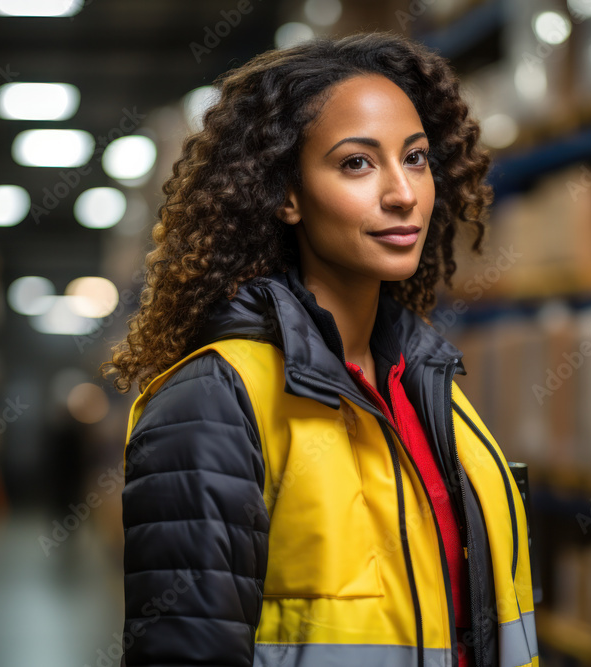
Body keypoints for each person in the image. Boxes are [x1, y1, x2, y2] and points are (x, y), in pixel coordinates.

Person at [102, 31, 537, 667]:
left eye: (414, 159)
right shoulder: (213, 403)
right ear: (286, 195)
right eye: (357, 163)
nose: (402, 193)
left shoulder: (428, 388)